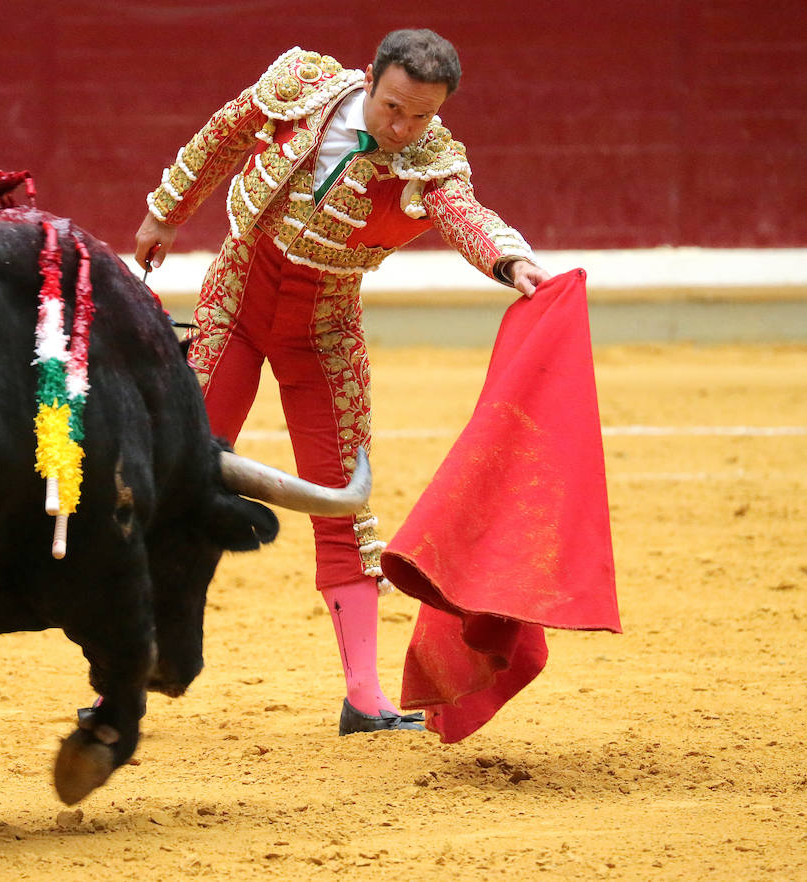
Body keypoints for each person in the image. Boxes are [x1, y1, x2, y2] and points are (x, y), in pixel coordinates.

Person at [134, 30, 550, 734]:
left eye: (422, 116)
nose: (403, 129)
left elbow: (463, 215)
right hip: (234, 299)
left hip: (323, 331)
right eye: (393, 109)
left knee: (342, 504)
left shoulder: (432, 160)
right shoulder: (302, 85)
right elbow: (226, 132)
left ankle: (366, 697)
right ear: (368, 80)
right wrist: (164, 214)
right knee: (176, 481)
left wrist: (511, 262)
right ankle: (125, 679)